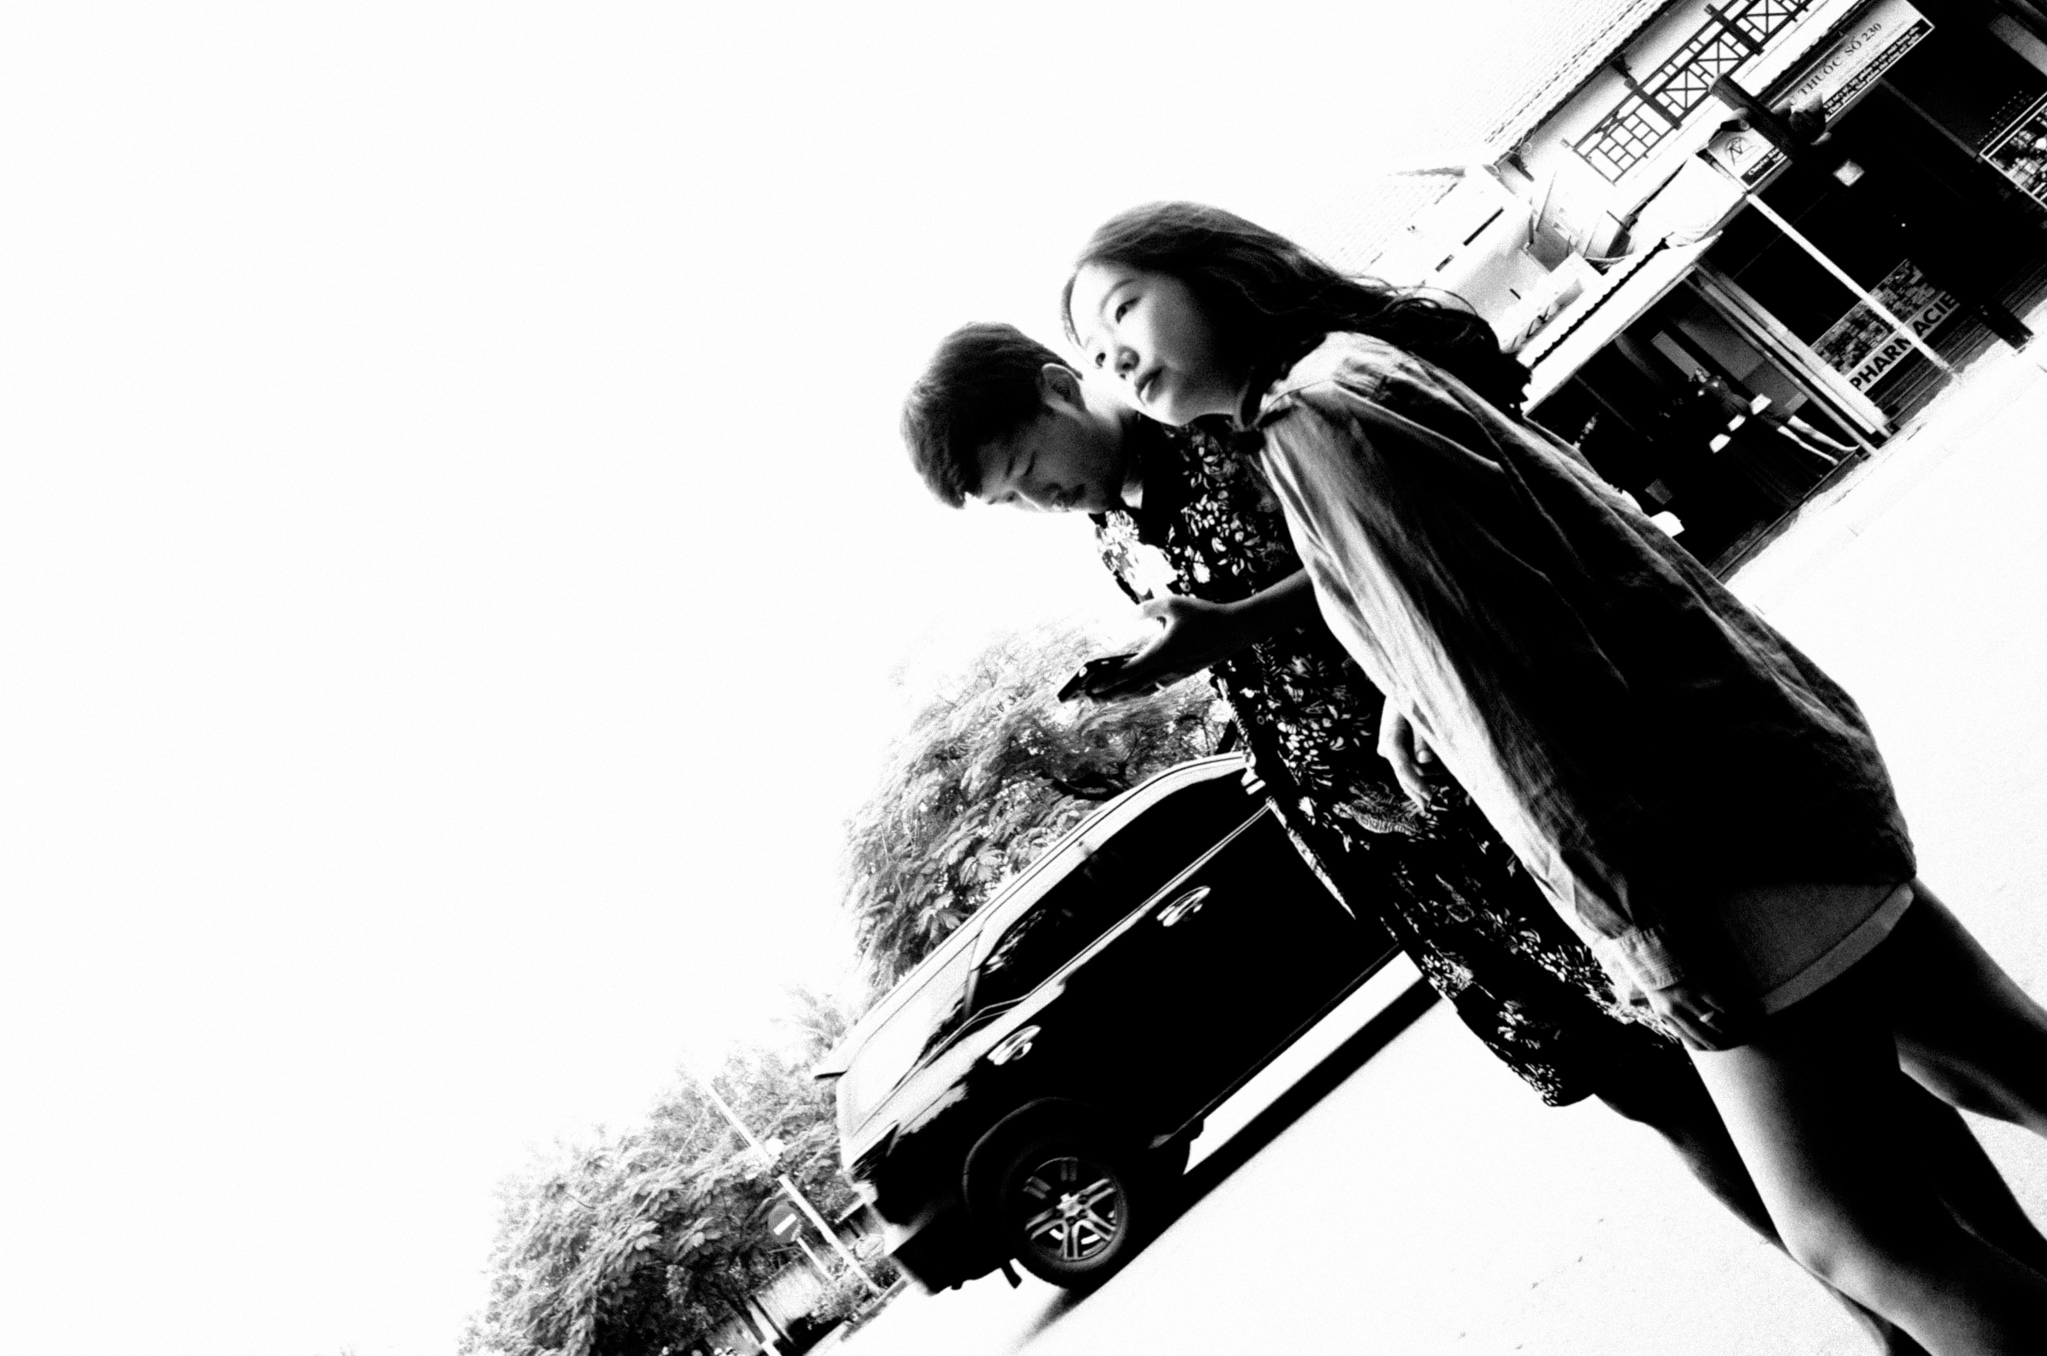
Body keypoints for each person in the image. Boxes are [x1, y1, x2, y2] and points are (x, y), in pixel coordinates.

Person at [900, 322, 2047, 1353]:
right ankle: (1895, 1326)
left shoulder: (1222, 427)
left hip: (1515, 802)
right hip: (1432, 874)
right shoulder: (1114, 532)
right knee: (1660, 1100)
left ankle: (1984, 1285)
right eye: (1011, 502)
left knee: (1817, 1063)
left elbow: (1393, 545)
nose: (1038, 500)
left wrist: (1232, 626)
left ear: (1056, 387)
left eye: (1024, 469)